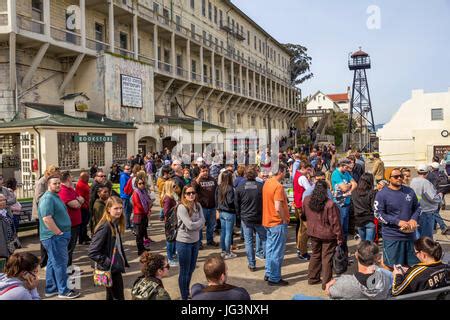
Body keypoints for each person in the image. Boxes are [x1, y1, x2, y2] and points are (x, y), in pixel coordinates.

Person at [38, 175, 80, 299]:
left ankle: (51, 289)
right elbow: (47, 218)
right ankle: (64, 291)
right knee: (60, 264)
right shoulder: (47, 199)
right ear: (48, 185)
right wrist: (58, 233)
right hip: (54, 237)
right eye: (54, 183)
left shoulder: (54, 196)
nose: (57, 185)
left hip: (57, 236)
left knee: (52, 263)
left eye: (58, 183)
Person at [374, 168, 421, 269]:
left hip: (410, 236)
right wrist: (397, 221)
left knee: (412, 266)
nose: (399, 178)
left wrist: (414, 219)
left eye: (401, 176)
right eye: (396, 176)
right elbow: (378, 214)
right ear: (389, 178)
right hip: (392, 237)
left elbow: (417, 207)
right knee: (392, 266)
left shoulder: (410, 191)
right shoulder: (382, 194)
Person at [302, 180, 343, 290]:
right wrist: (339, 238)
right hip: (327, 235)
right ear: (326, 190)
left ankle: (312, 278)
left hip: (313, 232)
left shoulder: (306, 200)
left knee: (315, 255)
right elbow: (336, 223)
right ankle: (326, 283)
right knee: (326, 258)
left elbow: (304, 216)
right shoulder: (330, 204)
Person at [88, 196, 129, 300]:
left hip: (114, 268)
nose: (119, 211)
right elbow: (93, 251)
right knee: (118, 297)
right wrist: (108, 262)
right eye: (116, 208)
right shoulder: (105, 227)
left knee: (111, 296)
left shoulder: (114, 223)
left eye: (121, 208)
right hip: (110, 269)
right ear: (108, 209)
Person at [325, 241, 392, 300]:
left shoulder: (345, 282)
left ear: (356, 255)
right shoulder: (387, 277)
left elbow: (328, 291)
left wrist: (336, 281)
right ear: (377, 258)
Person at [262, 164, 290, 286]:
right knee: (277, 252)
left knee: (270, 249)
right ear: (280, 172)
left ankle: (269, 273)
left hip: (268, 221)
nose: (285, 174)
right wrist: (284, 219)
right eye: (284, 171)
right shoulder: (278, 186)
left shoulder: (267, 182)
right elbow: (278, 207)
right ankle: (274, 277)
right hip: (276, 222)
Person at [176, 185, 205, 300]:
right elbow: (190, 225)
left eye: (193, 192)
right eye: (188, 193)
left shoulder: (198, 205)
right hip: (183, 242)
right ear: (184, 195)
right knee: (184, 271)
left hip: (195, 241)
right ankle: (184, 296)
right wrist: (199, 223)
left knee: (191, 268)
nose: (191, 195)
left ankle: (186, 290)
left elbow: (203, 220)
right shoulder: (182, 207)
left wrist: (197, 224)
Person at [236, 166, 266, 271]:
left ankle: (252, 264)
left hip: (247, 218)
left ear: (245, 175)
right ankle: (266, 260)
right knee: (264, 239)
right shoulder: (261, 186)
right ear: (255, 175)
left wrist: (240, 215)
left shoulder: (240, 187)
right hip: (257, 217)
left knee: (249, 241)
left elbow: (237, 204)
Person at [32, 165, 60, 268]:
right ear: (50, 173)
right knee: (45, 239)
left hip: (50, 213)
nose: (57, 176)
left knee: (50, 237)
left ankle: (49, 261)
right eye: (56, 174)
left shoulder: (52, 181)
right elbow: (39, 198)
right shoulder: (42, 182)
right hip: (42, 214)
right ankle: (43, 263)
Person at [331, 159, 357, 254]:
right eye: (346, 167)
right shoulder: (336, 174)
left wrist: (349, 189)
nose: (348, 169)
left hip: (346, 203)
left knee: (345, 229)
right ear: (342, 165)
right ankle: (339, 250)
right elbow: (344, 188)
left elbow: (355, 184)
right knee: (340, 228)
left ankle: (344, 250)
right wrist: (349, 185)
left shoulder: (346, 173)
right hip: (339, 204)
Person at [58, 171, 83, 267]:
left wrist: (78, 201)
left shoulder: (71, 189)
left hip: (75, 223)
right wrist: (78, 201)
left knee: (71, 247)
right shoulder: (63, 190)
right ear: (68, 178)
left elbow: (82, 199)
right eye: (71, 176)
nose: (73, 177)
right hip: (70, 224)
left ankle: (69, 266)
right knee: (68, 248)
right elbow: (76, 204)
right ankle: (67, 267)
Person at [410, 164, 443, 239]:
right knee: (426, 236)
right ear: (427, 173)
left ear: (417, 172)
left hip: (416, 211)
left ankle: (418, 248)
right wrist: (440, 196)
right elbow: (433, 198)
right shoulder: (426, 183)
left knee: (418, 233)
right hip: (426, 212)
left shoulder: (413, 181)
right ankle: (425, 249)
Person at [192, 164, 218, 249]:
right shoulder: (196, 180)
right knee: (200, 226)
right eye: (203, 171)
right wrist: (199, 177)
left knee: (211, 226)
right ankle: (199, 243)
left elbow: (216, 193)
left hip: (212, 207)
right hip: (202, 208)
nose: (205, 173)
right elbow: (193, 189)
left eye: (206, 171)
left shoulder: (213, 180)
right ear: (200, 172)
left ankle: (210, 241)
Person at [293, 163, 314, 261]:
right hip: (302, 205)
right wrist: (311, 179)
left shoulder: (296, 174)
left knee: (300, 228)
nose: (309, 172)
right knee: (304, 229)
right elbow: (310, 189)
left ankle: (299, 247)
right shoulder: (302, 178)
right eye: (308, 170)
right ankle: (302, 251)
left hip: (298, 203)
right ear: (303, 168)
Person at [216, 171, 237, 259]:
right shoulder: (230, 188)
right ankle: (227, 252)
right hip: (229, 212)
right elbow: (230, 201)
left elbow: (216, 199)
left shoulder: (219, 187)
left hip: (222, 212)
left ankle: (223, 251)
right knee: (228, 233)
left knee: (224, 232)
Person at [351, 173, 377, 241]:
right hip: (369, 220)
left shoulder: (354, 192)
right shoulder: (372, 192)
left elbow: (353, 206)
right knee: (369, 245)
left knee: (363, 243)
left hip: (358, 220)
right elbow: (373, 207)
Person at [131, 176, 153, 256]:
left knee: (143, 231)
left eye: (143, 183)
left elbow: (148, 201)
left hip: (144, 214)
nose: (142, 185)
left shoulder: (144, 192)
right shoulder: (136, 192)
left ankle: (143, 248)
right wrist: (146, 210)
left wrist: (148, 209)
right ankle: (140, 250)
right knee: (139, 234)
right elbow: (138, 204)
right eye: (140, 183)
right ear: (136, 184)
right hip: (138, 215)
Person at [162, 180, 180, 267]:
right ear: (169, 187)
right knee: (170, 240)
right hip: (170, 222)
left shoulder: (173, 196)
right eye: (173, 186)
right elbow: (165, 212)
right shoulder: (168, 199)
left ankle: (173, 255)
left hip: (174, 221)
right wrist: (175, 207)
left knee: (173, 239)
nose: (175, 187)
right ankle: (170, 258)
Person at [75, 171, 91, 245]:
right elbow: (80, 197)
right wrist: (85, 205)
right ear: (83, 177)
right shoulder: (80, 185)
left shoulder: (84, 183)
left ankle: (85, 236)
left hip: (86, 205)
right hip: (83, 207)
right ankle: (82, 239)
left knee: (85, 223)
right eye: (87, 177)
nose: (88, 178)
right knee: (83, 224)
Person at [0, 194, 17, 260]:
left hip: (9, 241)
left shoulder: (6, 212)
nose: (3, 202)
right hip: (2, 244)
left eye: (4, 200)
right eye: (0, 200)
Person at [119, 165, 133, 230]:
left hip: (128, 195)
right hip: (125, 196)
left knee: (129, 211)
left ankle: (128, 224)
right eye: (127, 169)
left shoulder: (128, 176)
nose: (128, 170)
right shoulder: (123, 176)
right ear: (124, 169)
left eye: (129, 169)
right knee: (126, 211)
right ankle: (127, 225)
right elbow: (124, 187)